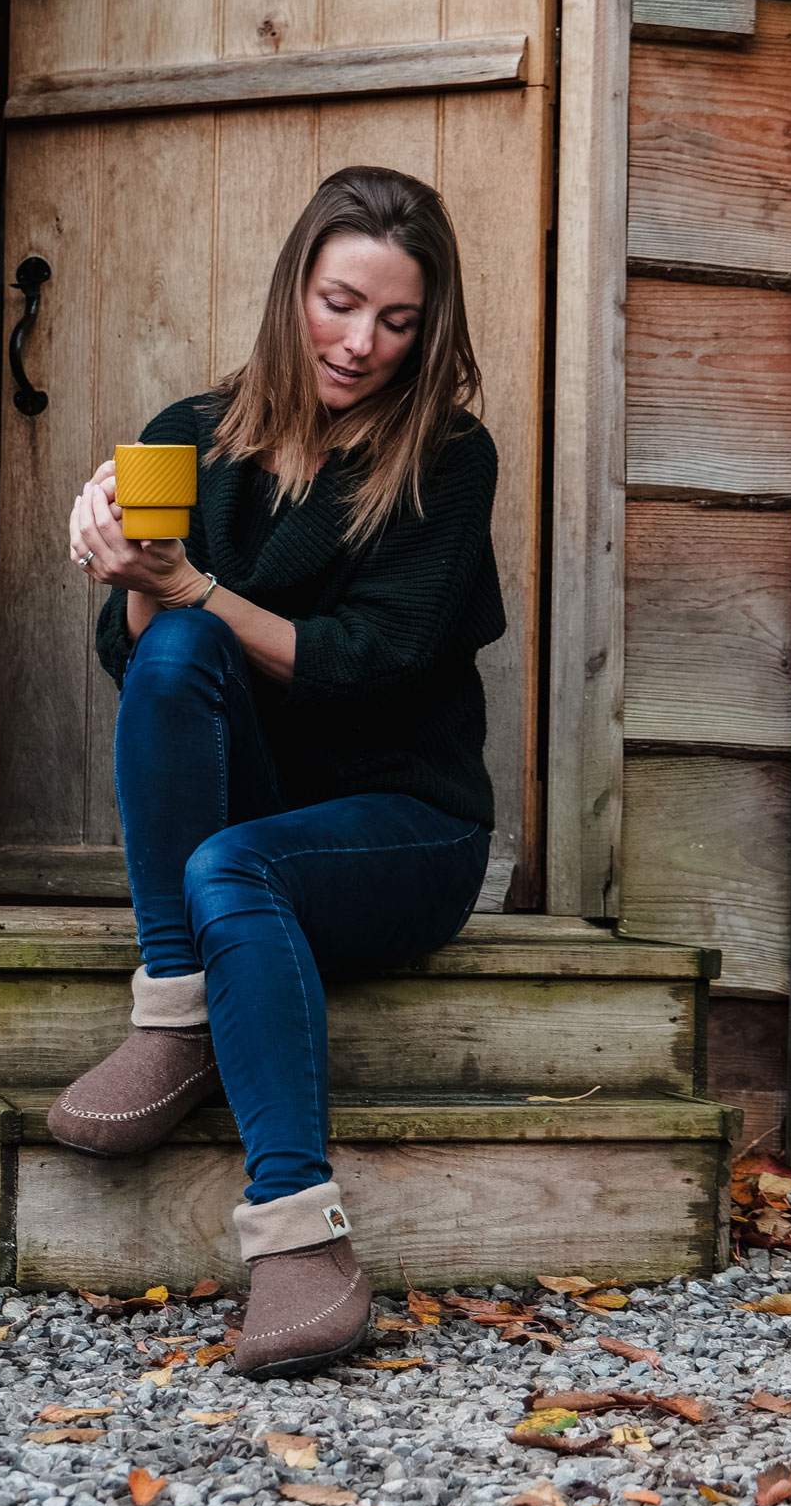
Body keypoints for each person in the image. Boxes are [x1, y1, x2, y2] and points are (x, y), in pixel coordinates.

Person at [55, 165, 504, 1380]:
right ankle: (177, 1005)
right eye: (340, 304)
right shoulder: (186, 436)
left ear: (429, 329)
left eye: (398, 321)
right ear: (293, 287)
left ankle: (303, 1235)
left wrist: (192, 585)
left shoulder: (447, 458)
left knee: (236, 864)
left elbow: (367, 663)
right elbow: (149, 670)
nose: (361, 344)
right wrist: (139, 576)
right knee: (179, 660)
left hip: (405, 826)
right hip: (243, 818)